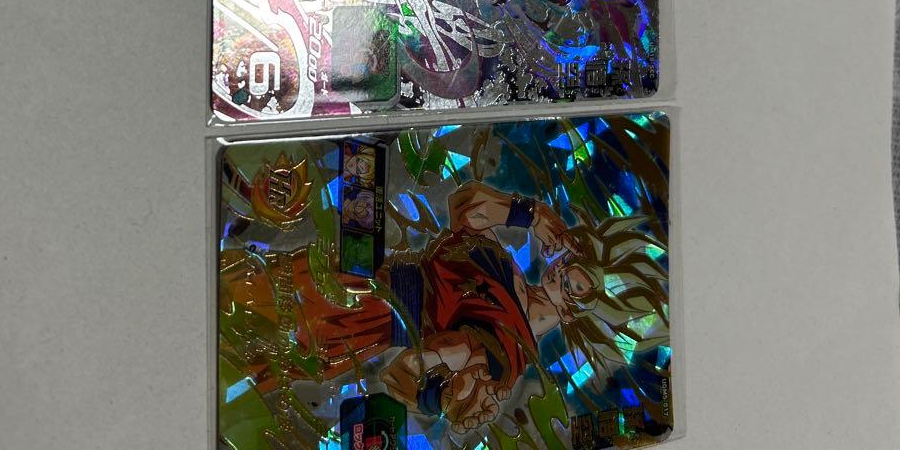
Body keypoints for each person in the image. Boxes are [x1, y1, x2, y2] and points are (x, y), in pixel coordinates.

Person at [219, 180, 666, 434]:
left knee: (242, 340)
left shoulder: (504, 356)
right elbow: (466, 206)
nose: (562, 270)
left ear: (574, 311)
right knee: (237, 291)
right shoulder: (507, 271)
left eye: (576, 285)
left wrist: (438, 396)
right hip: (350, 275)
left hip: (357, 319)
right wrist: (531, 214)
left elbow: (407, 376)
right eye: (571, 261)